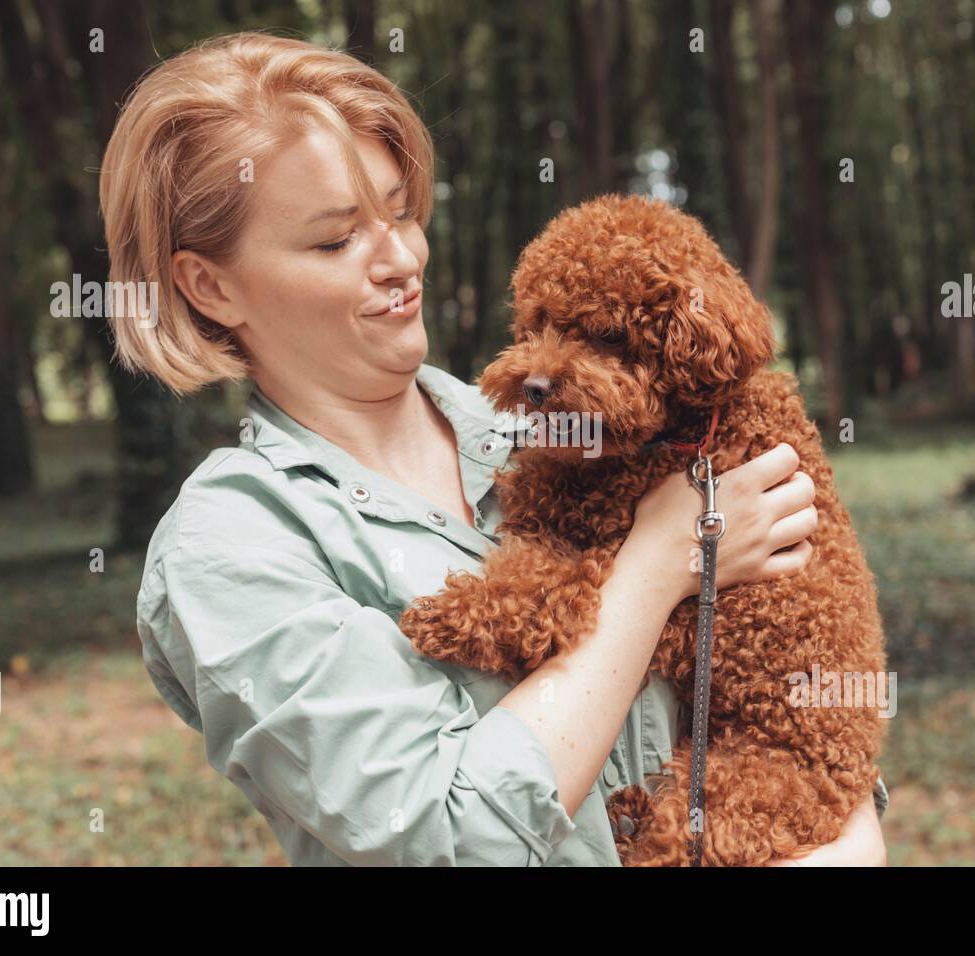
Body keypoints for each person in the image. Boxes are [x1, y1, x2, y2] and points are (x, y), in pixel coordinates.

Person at [100, 31, 888, 866]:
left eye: (402, 212)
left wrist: (852, 844)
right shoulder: (232, 549)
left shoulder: (587, 436)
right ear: (209, 284)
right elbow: (448, 837)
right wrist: (659, 564)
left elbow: (801, 703)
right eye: (336, 241)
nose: (401, 259)